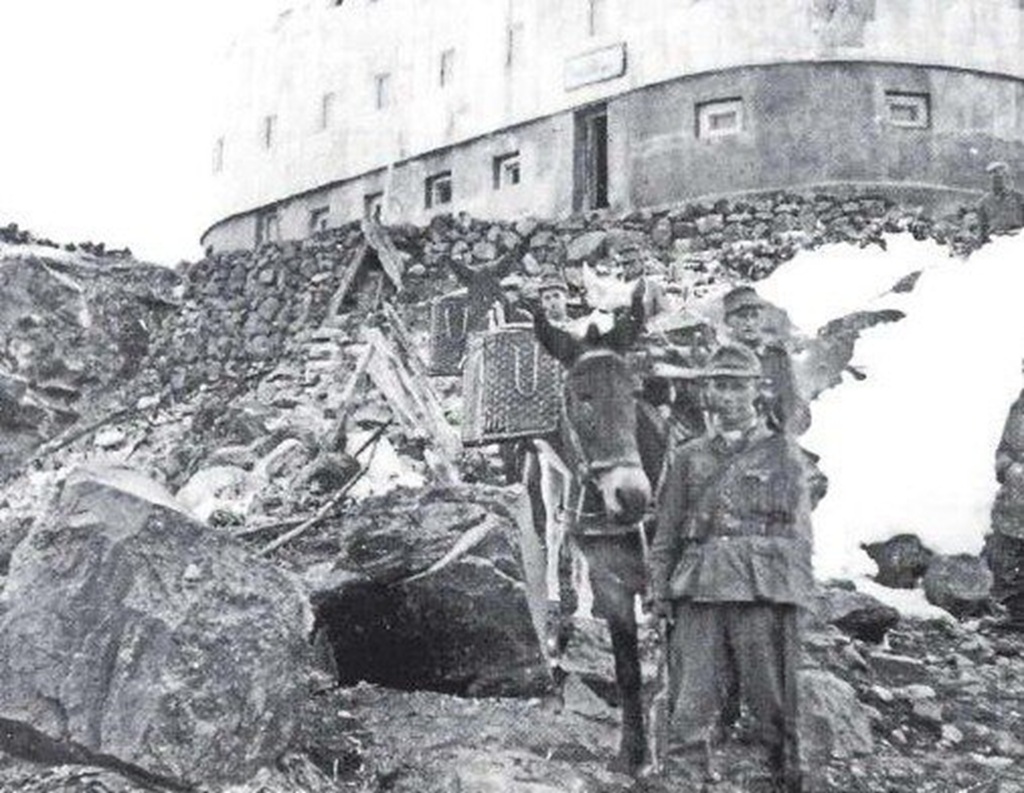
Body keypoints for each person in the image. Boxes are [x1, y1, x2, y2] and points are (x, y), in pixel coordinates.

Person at [650, 344, 813, 792]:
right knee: (690, 699)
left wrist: (796, 600)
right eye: (718, 386)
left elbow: (799, 537)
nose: (727, 396)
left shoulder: (783, 454)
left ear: (757, 391)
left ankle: (780, 778)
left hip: (760, 591)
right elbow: (666, 532)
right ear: (707, 393)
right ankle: (683, 780)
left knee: (771, 698)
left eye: (737, 386)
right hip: (699, 590)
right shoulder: (689, 456)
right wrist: (659, 592)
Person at [722, 286, 810, 437]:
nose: (749, 323)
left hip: (774, 434)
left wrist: (791, 426)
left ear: (762, 318)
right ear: (728, 321)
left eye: (754, 316)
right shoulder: (723, 358)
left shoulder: (776, 355)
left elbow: (792, 398)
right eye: (742, 317)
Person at [985, 370, 1024, 629]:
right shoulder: (1019, 406)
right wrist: (1007, 466)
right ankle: (1018, 614)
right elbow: (1005, 447)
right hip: (1015, 498)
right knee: (1008, 553)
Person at [977, 161, 1024, 239]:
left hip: (1017, 238)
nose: (997, 181)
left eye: (1000, 177)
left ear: (1007, 178)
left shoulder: (1019, 198)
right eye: (994, 178)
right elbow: (982, 230)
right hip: (995, 240)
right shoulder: (983, 202)